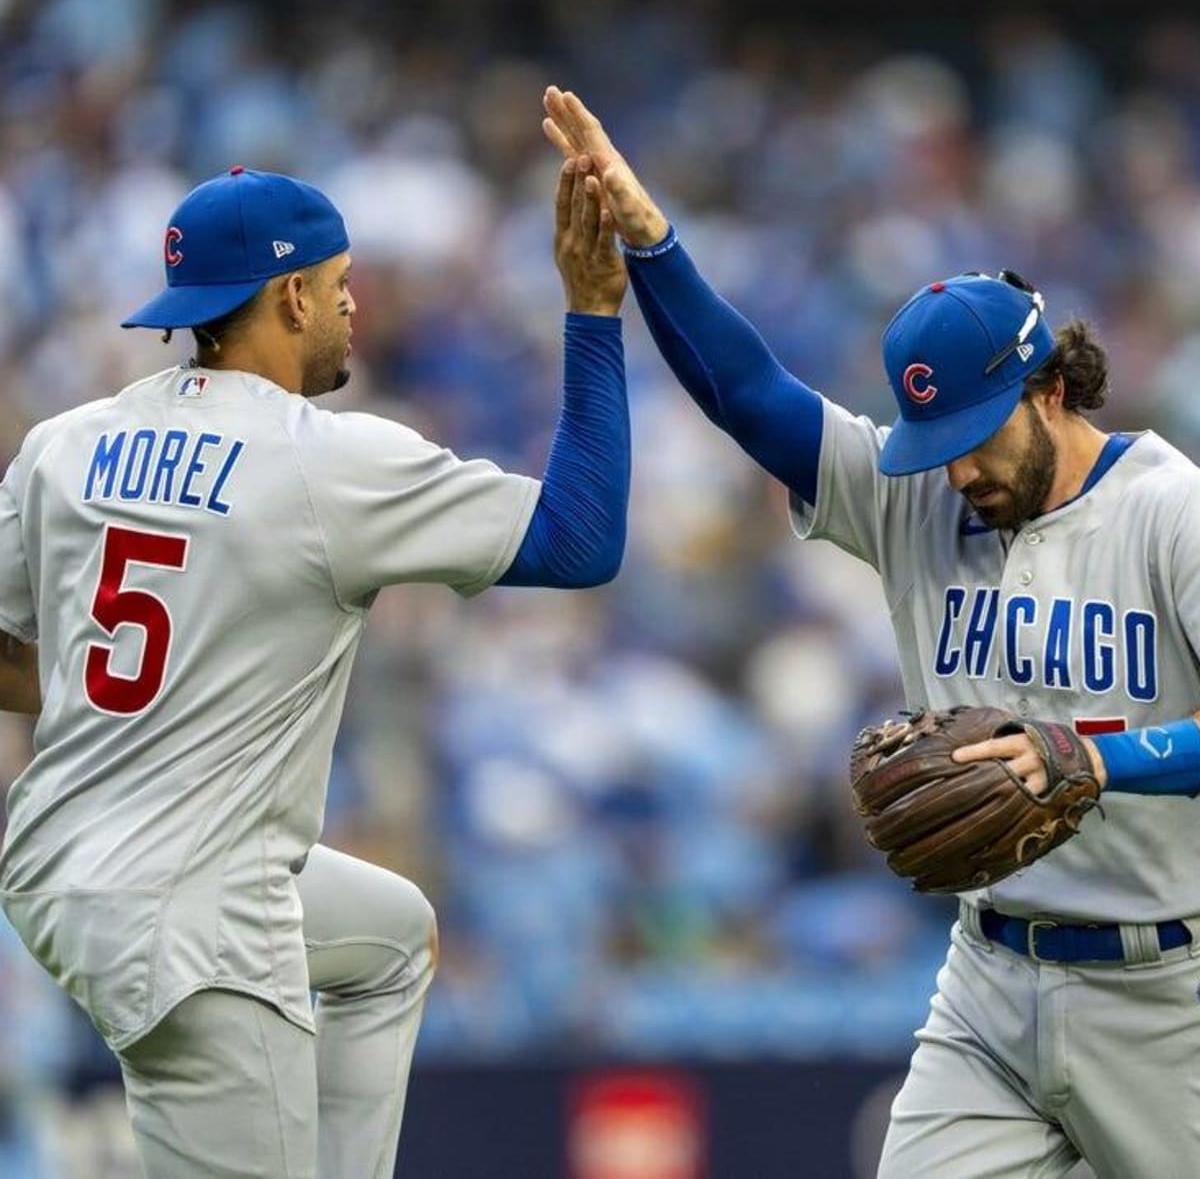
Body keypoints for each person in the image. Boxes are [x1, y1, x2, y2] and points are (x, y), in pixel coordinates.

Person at [543, 86, 1200, 1177]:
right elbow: (749, 392)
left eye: (977, 434)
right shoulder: (918, 500)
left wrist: (1095, 760)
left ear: (1047, 391)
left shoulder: (1170, 512)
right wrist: (652, 243)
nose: (956, 467)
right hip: (988, 988)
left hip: (1167, 991)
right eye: (932, 438)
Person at [0, 154, 629, 1177]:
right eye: (339, 286)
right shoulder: (322, 457)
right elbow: (582, 537)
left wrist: (124, 690)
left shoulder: (69, 444)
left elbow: (13, 655)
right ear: (290, 296)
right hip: (192, 911)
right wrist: (593, 313)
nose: (350, 307)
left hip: (62, 864)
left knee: (388, 940)